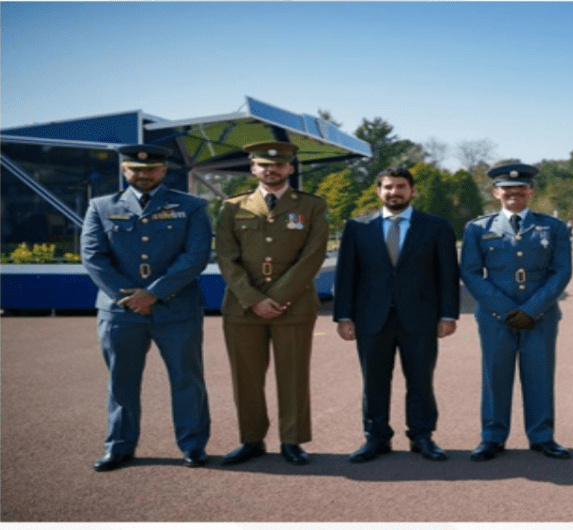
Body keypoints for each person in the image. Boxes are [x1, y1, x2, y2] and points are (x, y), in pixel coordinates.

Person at [81, 144, 212, 471]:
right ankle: (119, 446)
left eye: (151, 168)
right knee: (121, 381)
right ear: (124, 170)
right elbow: (94, 258)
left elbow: (196, 257)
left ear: (164, 170)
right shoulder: (100, 207)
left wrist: (153, 293)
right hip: (120, 311)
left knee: (187, 379)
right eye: (135, 169)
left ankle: (192, 445)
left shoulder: (191, 206)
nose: (143, 174)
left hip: (177, 310)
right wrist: (128, 297)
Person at [334, 167, 460, 463]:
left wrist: (448, 315)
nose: (394, 192)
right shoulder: (357, 227)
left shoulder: (436, 227)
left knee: (420, 379)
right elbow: (346, 275)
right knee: (374, 381)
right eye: (388, 187)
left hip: (420, 317)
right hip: (371, 318)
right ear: (378, 191)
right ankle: (376, 437)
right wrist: (343, 316)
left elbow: (447, 275)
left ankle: (422, 436)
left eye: (401, 186)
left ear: (413, 190)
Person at [216, 141, 328, 466]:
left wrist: (276, 298)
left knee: (293, 376)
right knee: (246, 377)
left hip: (292, 306)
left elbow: (313, 256)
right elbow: (226, 257)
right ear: (253, 168)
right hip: (242, 307)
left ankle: (292, 441)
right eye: (263, 165)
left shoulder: (312, 206)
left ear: (290, 168)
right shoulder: (232, 207)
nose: (271, 170)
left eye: (278, 165)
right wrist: (253, 299)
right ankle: (251, 440)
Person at [460, 163, 573, 461]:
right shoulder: (478, 228)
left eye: (521, 189)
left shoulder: (553, 227)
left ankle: (542, 436)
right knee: (495, 376)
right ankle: (493, 437)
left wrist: (533, 309)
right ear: (496, 192)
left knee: (540, 375)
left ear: (531, 191)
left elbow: (561, 272)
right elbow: (471, 273)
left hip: (542, 316)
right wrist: (506, 310)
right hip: (496, 317)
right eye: (507, 190)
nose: (514, 194)